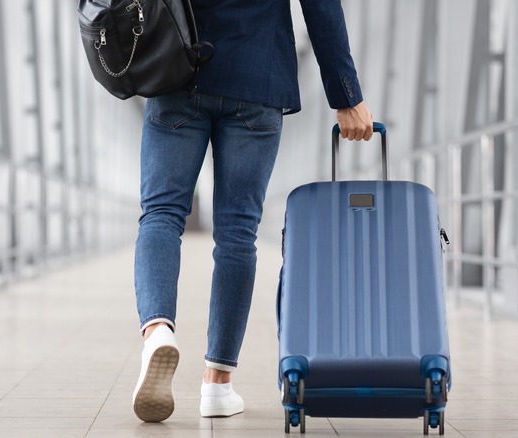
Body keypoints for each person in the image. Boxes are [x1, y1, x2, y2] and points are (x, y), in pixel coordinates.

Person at [132, 0, 374, 422]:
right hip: (258, 76)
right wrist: (346, 94)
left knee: (161, 215)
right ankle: (217, 384)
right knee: (237, 235)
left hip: (178, 69)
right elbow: (322, 7)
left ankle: (157, 331)